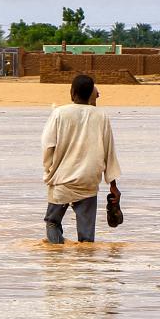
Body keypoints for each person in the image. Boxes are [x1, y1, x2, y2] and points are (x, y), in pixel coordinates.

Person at [42, 75, 122, 244]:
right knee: (86, 238)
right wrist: (113, 186)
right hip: (89, 180)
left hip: (62, 179)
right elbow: (109, 153)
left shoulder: (59, 113)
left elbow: (48, 146)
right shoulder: (101, 117)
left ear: (72, 93)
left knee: (52, 222)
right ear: (91, 94)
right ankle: (85, 264)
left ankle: (56, 257)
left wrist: (50, 171)